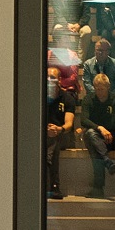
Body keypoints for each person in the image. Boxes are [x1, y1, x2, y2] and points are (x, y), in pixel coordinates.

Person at [77, 74, 115, 198]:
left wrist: (101, 129)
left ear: (108, 87)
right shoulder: (88, 99)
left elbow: (114, 123)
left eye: (101, 89)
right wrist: (100, 128)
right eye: (97, 89)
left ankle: (98, 188)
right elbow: (83, 120)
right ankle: (107, 160)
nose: (99, 92)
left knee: (92, 140)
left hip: (111, 137)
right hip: (96, 134)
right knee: (91, 134)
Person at [45, 66, 75, 200]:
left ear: (59, 80)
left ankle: (49, 184)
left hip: (62, 134)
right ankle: (55, 186)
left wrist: (58, 129)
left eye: (52, 77)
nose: (49, 80)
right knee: (51, 142)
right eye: (47, 77)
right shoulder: (40, 95)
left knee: (54, 141)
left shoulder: (67, 98)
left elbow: (69, 124)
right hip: (44, 134)